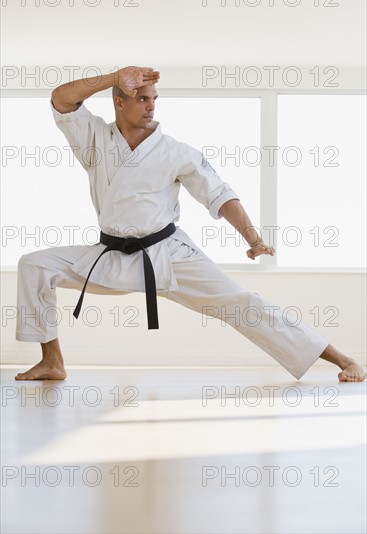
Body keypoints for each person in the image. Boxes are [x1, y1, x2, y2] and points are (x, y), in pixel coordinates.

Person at [14, 66, 365, 382]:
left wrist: (253, 236)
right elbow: (61, 98)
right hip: (111, 253)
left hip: (167, 254)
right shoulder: (94, 139)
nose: (150, 106)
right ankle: (53, 361)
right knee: (34, 265)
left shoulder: (176, 151)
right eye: (141, 98)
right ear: (119, 103)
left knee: (243, 302)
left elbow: (220, 195)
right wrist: (112, 78)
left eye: (153, 99)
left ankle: (343, 359)